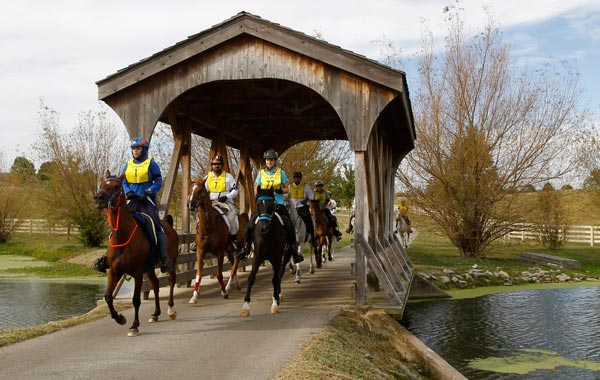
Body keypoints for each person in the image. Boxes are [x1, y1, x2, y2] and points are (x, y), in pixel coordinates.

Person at [93, 137, 175, 273]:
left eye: (138, 149)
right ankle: (107, 257)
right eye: (133, 149)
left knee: (156, 226)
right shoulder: (128, 165)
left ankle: (164, 258)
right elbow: (122, 182)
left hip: (146, 201)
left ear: (144, 150)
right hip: (131, 201)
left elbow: (158, 182)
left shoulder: (151, 164)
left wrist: (148, 191)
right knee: (117, 225)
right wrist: (129, 191)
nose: (135, 151)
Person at [237, 149, 303, 264]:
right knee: (250, 224)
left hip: (278, 203)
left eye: (271, 160)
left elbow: (288, 188)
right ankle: (245, 248)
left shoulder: (281, 173)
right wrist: (259, 194)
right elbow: (256, 186)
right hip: (264, 203)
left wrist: (281, 190)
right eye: (267, 160)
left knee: (289, 224)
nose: (269, 162)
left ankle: (294, 250)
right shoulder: (261, 173)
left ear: (275, 161)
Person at [205, 154, 239, 253]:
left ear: (222, 165)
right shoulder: (208, 177)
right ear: (212, 165)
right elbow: (203, 191)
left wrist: (227, 196)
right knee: (201, 218)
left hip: (226, 202)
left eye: (218, 164)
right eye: (214, 164)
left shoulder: (228, 177)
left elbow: (235, 190)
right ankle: (198, 239)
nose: (216, 166)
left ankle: (232, 240)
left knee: (232, 217)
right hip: (212, 203)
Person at [289, 171, 318, 250]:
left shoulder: (306, 186)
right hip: (292, 208)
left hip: (303, 208)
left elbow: (312, 196)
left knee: (309, 220)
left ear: (300, 178)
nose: (297, 180)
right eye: (295, 178)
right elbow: (285, 196)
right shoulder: (289, 187)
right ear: (293, 179)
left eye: (298, 178)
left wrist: (307, 199)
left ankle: (313, 238)